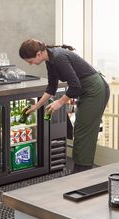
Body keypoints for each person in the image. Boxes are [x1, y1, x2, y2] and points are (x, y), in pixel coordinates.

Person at [19, 39, 110, 173]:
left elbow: (75, 86)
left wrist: (60, 102)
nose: (30, 64)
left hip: (94, 90)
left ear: (38, 54)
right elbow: (51, 87)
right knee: (80, 130)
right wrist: (36, 106)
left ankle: (81, 174)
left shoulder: (59, 58)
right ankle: (80, 172)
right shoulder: (50, 59)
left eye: (30, 60)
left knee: (84, 133)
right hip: (87, 90)